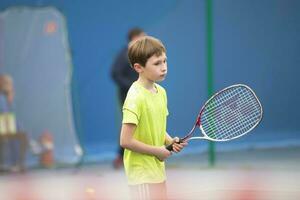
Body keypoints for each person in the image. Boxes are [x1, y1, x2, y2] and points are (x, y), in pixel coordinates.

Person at [120, 36, 188, 200]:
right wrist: (157, 151)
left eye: (165, 61)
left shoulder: (161, 93)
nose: (163, 67)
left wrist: (169, 142)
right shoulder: (135, 97)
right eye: (157, 63)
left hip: (158, 172)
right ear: (138, 67)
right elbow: (125, 141)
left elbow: (156, 127)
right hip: (141, 175)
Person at [111, 28, 145, 169]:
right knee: (130, 125)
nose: (145, 39)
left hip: (140, 94)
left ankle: (130, 157)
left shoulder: (139, 54)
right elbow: (115, 73)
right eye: (143, 37)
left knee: (141, 124)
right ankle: (120, 157)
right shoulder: (124, 54)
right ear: (134, 37)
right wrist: (131, 86)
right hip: (127, 96)